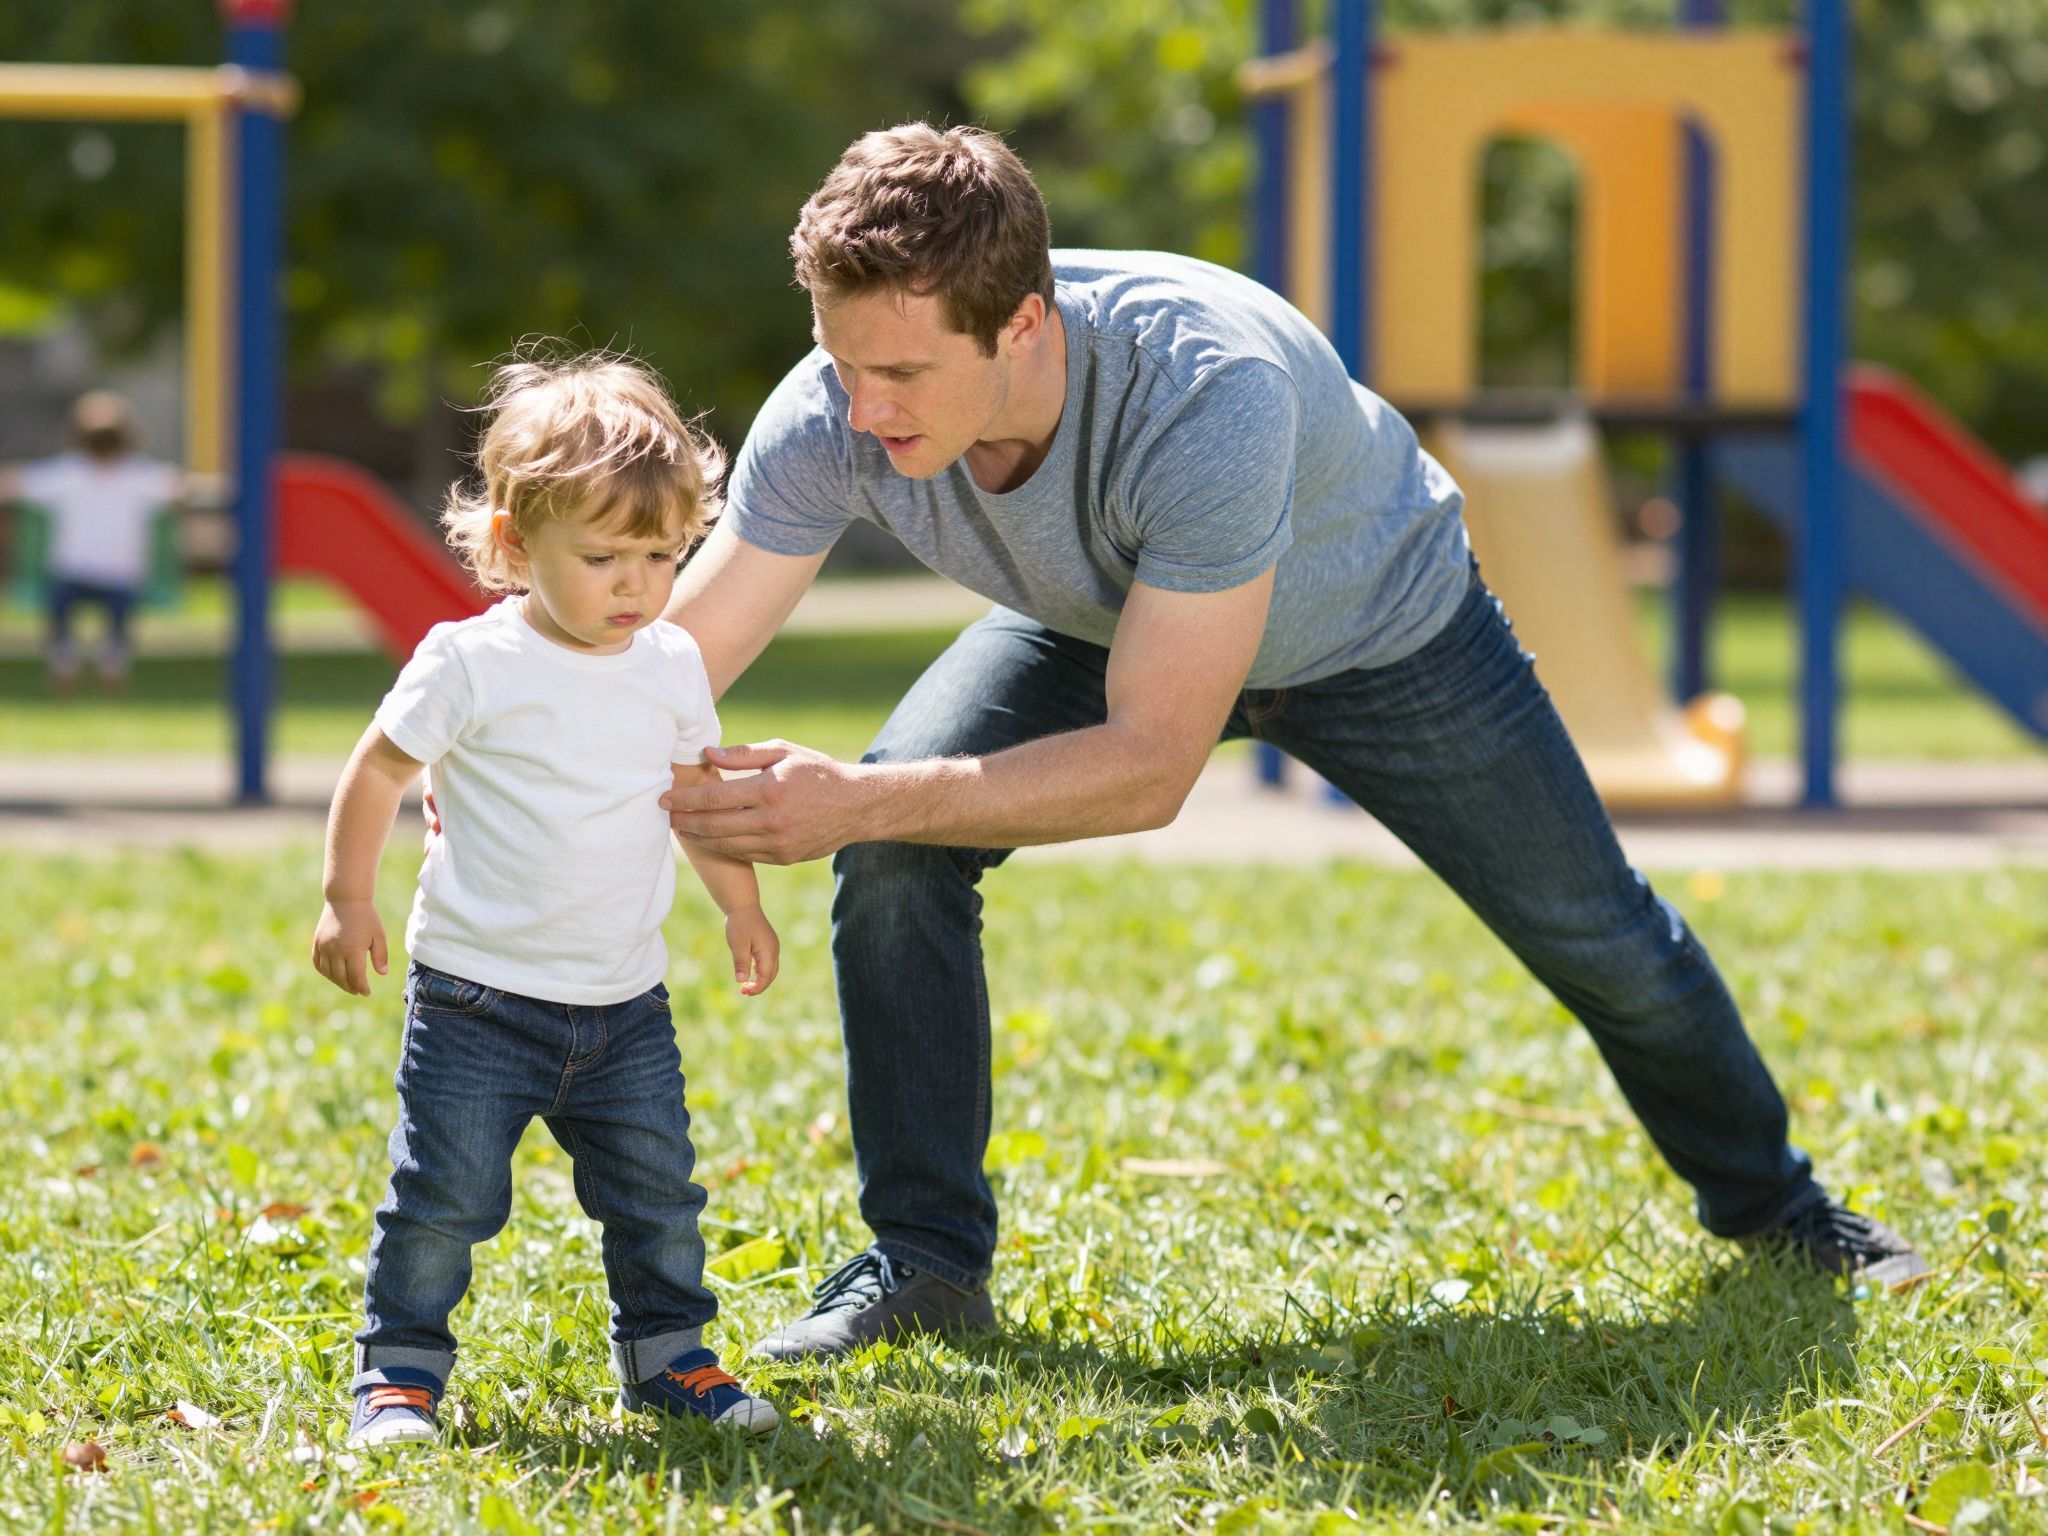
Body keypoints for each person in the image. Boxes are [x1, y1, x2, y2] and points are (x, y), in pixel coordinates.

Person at [662, 124, 1926, 1362]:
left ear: (1024, 325)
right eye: (842, 364)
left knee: (1596, 936)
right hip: (1109, 621)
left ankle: (1781, 1211)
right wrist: (493, 747)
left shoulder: (1206, 388)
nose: (863, 407)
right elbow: (676, 661)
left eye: (904, 376)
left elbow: (1153, 764)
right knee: (895, 850)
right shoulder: (832, 410)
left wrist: (856, 802)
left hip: (1383, 631)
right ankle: (926, 1266)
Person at [311, 352, 779, 1447]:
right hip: (478, 1001)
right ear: (517, 544)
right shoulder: (470, 663)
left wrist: (739, 906)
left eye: (662, 555)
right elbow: (377, 769)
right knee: (444, 1200)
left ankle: (668, 1355)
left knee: (658, 1197)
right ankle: (400, 1372)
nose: (637, 584)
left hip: (625, 1006)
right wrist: (346, 898)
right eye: (604, 555)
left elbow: (691, 793)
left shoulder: (666, 663)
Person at [0, 392, 182, 693]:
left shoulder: (132, 476)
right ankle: (69, 657)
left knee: (112, 622)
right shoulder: (76, 474)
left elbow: (176, 488)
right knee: (62, 612)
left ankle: (105, 657)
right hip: (79, 570)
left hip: (117, 573)